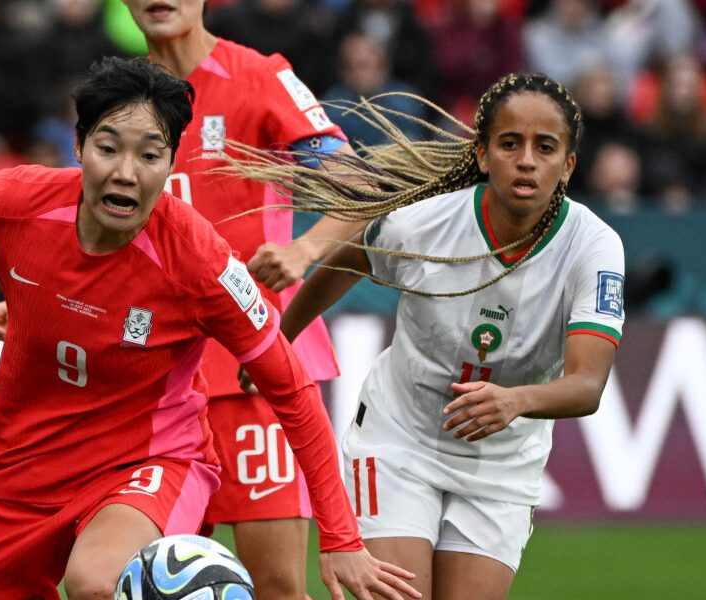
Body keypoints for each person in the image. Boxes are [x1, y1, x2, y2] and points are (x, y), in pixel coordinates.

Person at [0, 56, 419, 600]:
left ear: (171, 161)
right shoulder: (22, 201)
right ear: (80, 145)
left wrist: (341, 538)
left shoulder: (200, 260)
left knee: (99, 581)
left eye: (150, 155)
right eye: (108, 148)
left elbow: (290, 387)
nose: (126, 173)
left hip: (150, 462)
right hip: (22, 466)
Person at [0, 0, 368, 597]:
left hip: (250, 373)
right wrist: (42, 304)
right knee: (138, 586)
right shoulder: (126, 97)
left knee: (279, 583)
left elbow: (360, 182)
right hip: (151, 389)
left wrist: (306, 248)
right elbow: (86, 227)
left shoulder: (258, 76)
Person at [235, 72, 625, 599]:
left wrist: (515, 401)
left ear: (568, 164)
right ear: (484, 156)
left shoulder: (594, 249)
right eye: (510, 144)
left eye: (546, 147)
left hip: (501, 466)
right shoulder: (424, 224)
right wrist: (279, 342)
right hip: (400, 442)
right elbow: (349, 261)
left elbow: (587, 384)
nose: (527, 160)